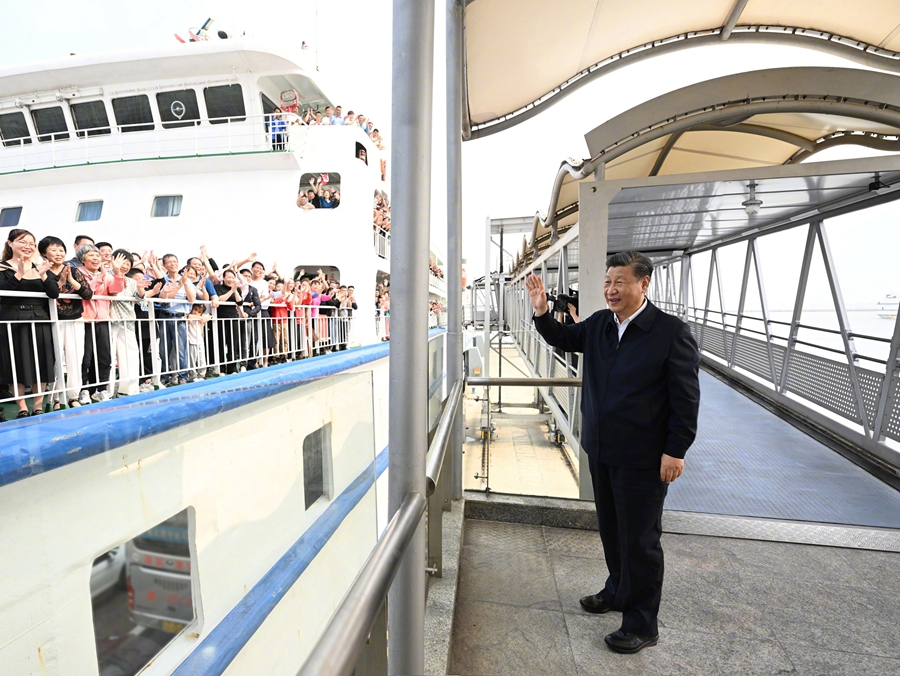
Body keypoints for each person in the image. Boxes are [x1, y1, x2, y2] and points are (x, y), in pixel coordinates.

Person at [526, 250, 700, 654]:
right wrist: (541, 312)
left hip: (643, 457)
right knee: (611, 530)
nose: (611, 289)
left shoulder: (670, 333)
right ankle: (617, 590)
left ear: (643, 283)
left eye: (620, 281)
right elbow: (563, 338)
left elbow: (686, 398)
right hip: (602, 449)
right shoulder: (601, 324)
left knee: (640, 540)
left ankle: (642, 623)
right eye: (607, 282)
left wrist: (675, 450)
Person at [0, 229, 59, 419]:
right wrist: (18, 274)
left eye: (31, 243)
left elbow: (54, 293)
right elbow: (2, 294)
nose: (28, 246)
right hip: (12, 318)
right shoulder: (2, 267)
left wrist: (43, 275)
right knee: (15, 363)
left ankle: (38, 405)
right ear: (10, 243)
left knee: (41, 361)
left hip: (39, 318)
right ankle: (22, 407)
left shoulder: (40, 266)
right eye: (22, 242)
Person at [39, 236, 93, 409]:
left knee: (75, 358)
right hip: (53, 321)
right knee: (57, 360)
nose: (58, 253)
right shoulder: (42, 271)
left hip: (75, 319)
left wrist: (71, 280)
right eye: (53, 250)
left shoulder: (73, 270)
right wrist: (60, 280)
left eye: (61, 250)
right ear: (44, 253)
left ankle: (73, 395)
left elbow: (88, 294)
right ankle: (57, 398)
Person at [77, 244, 127, 403]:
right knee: (86, 358)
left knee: (104, 357)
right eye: (91, 255)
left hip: (103, 320)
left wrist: (117, 272)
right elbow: (86, 291)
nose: (96, 258)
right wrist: (100, 277)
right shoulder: (77, 273)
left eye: (97, 256)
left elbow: (116, 289)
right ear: (82, 259)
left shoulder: (105, 275)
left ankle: (101, 389)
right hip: (85, 320)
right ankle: (84, 389)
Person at [108, 249, 146, 397]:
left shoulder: (131, 281)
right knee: (109, 357)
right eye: (122, 262)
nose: (124, 266)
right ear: (113, 260)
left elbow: (140, 299)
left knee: (130, 356)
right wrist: (116, 272)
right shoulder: (106, 276)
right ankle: (108, 391)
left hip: (128, 321)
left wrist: (141, 289)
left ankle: (129, 389)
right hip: (110, 320)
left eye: (128, 264)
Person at [213, 268, 243, 373]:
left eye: (232, 277)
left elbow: (240, 302)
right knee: (221, 343)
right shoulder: (218, 288)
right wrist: (231, 291)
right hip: (221, 318)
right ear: (223, 278)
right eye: (228, 277)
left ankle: (232, 368)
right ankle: (221, 368)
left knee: (233, 343)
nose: (230, 279)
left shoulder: (237, 289)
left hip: (233, 318)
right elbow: (221, 299)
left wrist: (235, 291)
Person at [186, 304, 212, 381]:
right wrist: (201, 317)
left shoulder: (201, 319)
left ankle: (201, 375)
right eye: (195, 309)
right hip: (191, 341)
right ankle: (193, 376)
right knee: (192, 360)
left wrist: (204, 318)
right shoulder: (190, 318)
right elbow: (189, 317)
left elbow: (209, 316)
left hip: (200, 341)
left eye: (199, 312)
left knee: (202, 359)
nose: (196, 312)